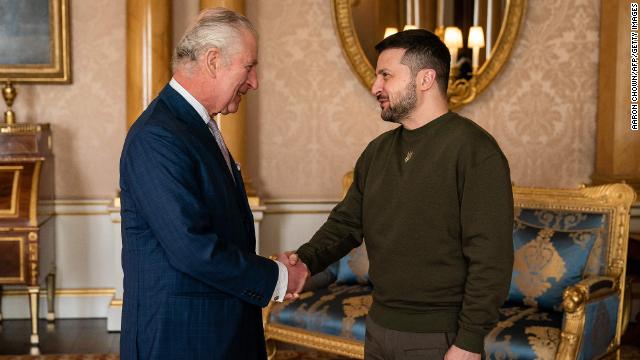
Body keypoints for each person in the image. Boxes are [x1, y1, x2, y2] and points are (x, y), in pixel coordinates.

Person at [285, 29, 514, 360]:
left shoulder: (475, 150)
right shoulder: (377, 151)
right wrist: (303, 261)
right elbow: (346, 223)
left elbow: (491, 258)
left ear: (425, 79)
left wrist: (469, 342)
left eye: (386, 75)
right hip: (378, 327)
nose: (375, 86)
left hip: (440, 336)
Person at [119, 8, 308, 360]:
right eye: (249, 66)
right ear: (213, 61)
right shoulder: (157, 136)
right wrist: (278, 277)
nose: (255, 81)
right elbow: (192, 248)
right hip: (181, 339)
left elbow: (221, 230)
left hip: (217, 331)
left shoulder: (194, 126)